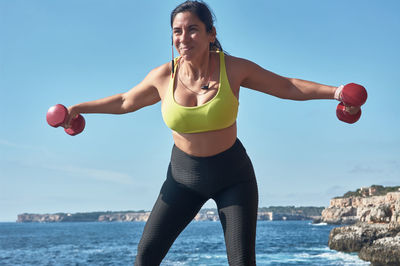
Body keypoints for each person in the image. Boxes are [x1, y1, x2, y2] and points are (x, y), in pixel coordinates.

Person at [63, 1, 363, 265]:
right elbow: (125, 101)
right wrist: (79, 108)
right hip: (182, 180)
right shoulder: (163, 76)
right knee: (146, 256)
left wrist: (336, 92)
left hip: (233, 177)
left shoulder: (232, 68)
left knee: (242, 262)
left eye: (192, 29)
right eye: (177, 31)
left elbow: (286, 86)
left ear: (211, 33)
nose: (183, 37)